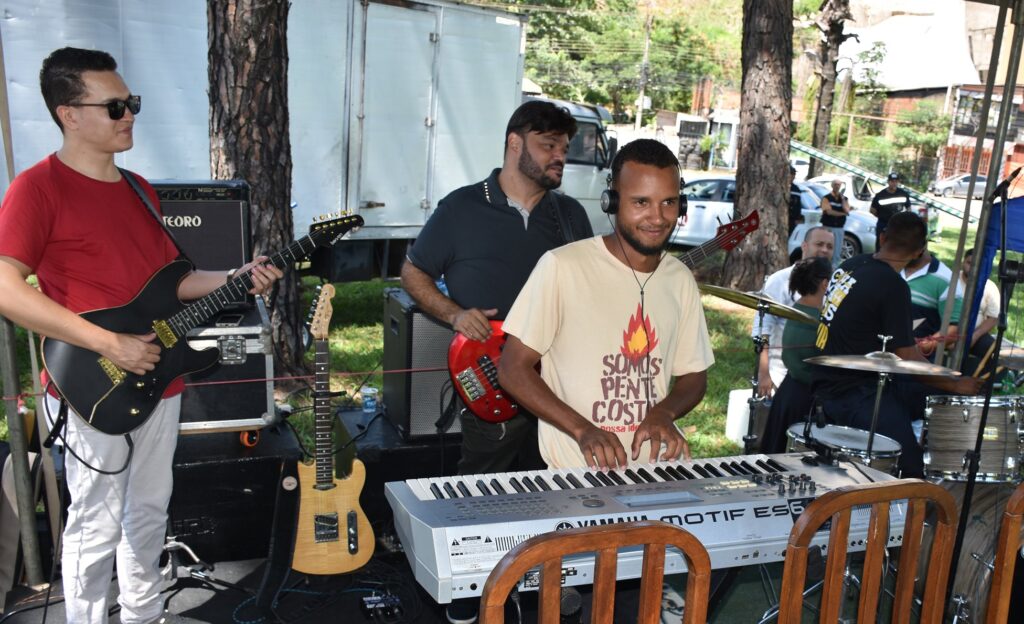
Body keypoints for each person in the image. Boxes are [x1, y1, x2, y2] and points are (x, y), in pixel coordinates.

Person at [0, 48, 282, 624]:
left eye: (132, 103)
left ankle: (144, 613)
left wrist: (235, 276)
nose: (129, 114)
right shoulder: (37, 188)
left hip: (158, 377)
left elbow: (172, 283)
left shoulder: (140, 190)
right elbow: (5, 286)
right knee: (95, 522)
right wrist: (107, 343)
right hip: (92, 385)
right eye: (115, 106)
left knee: (150, 510)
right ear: (69, 114)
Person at [400, 100, 592, 477]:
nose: (560, 157)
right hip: (490, 378)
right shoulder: (461, 208)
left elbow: (588, 287)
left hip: (556, 383)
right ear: (515, 143)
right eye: (549, 145)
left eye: (564, 148)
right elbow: (413, 272)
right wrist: (454, 315)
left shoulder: (571, 215)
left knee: (553, 484)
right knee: (481, 488)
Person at [497, 139, 714, 470]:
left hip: (655, 471)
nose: (657, 217)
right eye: (641, 202)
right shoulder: (562, 266)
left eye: (669, 202)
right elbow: (513, 369)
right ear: (611, 201)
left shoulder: (680, 278)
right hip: (576, 474)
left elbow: (694, 375)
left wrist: (664, 412)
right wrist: (582, 429)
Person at [811, 212, 981, 477]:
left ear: (882, 237)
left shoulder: (849, 265)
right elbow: (908, 357)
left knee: (934, 399)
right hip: (855, 392)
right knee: (909, 467)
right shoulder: (893, 285)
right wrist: (956, 383)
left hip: (829, 376)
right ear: (919, 252)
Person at [753, 227, 835, 398]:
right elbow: (763, 328)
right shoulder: (780, 280)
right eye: (819, 244)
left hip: (817, 376)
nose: (824, 250)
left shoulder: (835, 283)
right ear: (804, 246)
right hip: (781, 374)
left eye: (830, 246)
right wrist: (763, 373)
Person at [760, 257, 832, 453]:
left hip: (788, 393)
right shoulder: (816, 321)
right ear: (825, 283)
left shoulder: (796, 309)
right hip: (805, 400)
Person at [901, 245, 963, 358]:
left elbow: (954, 329)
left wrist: (919, 348)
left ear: (922, 244)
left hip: (915, 360)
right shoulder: (888, 267)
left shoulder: (946, 279)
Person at [870, 172, 911, 248]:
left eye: (896, 181)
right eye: (892, 181)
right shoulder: (880, 195)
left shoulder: (903, 194)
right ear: (888, 182)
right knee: (880, 245)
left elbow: (909, 209)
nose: (894, 183)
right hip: (883, 224)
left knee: (896, 246)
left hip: (898, 225)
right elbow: (872, 210)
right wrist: (882, 216)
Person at [819, 179, 850, 268]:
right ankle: (823, 266)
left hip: (839, 228)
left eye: (839, 185)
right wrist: (842, 214)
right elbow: (829, 212)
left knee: (837, 250)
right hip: (828, 227)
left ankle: (834, 268)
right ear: (832, 185)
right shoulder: (826, 198)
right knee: (825, 248)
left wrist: (842, 199)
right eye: (835, 184)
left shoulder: (844, 198)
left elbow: (847, 210)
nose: (837, 186)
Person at [787, 164, 804, 236]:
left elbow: (798, 205)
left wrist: (798, 217)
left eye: (794, 174)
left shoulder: (796, 189)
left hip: (792, 219)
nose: (793, 176)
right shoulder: (781, 187)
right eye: (792, 174)